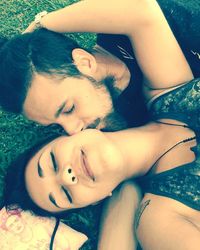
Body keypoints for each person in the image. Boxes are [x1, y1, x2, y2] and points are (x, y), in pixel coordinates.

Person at [3, 76, 200, 248]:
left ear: (70, 133)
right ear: (97, 199)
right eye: (66, 194)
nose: (67, 176)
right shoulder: (159, 220)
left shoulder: (166, 93)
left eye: (53, 162)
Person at [0, 0, 197, 135]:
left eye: (69, 109)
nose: (72, 131)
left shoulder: (120, 30)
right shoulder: (119, 120)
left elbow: (141, 10)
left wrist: (41, 23)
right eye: (56, 125)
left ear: (84, 62)